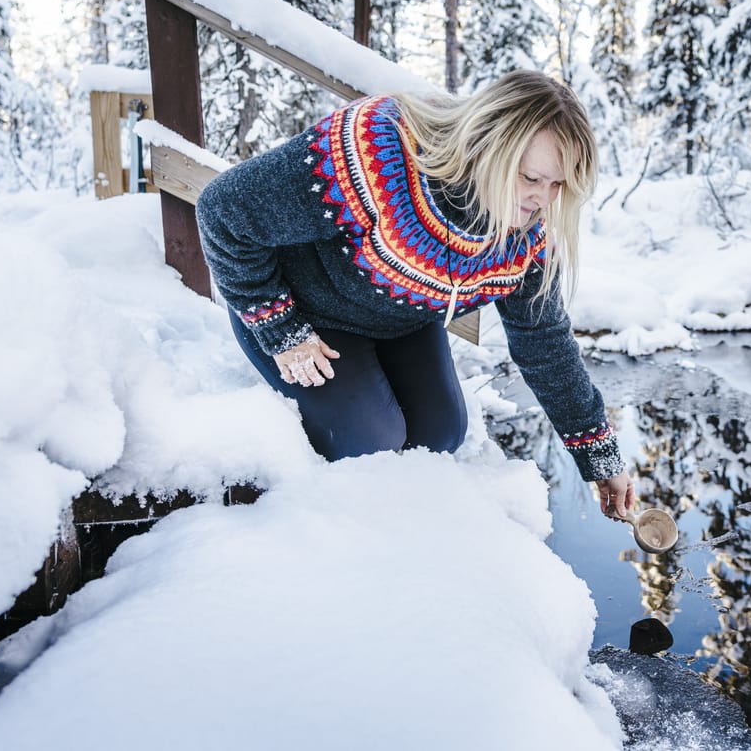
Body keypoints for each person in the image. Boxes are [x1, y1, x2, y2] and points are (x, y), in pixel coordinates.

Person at [195, 70, 635, 520]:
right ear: (489, 146)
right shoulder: (375, 153)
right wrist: (281, 329)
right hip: (302, 312)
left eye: (557, 185)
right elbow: (222, 210)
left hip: (399, 319)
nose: (542, 199)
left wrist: (598, 454)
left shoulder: (526, 235)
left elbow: (544, 343)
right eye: (530, 178)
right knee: (370, 445)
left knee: (440, 435)